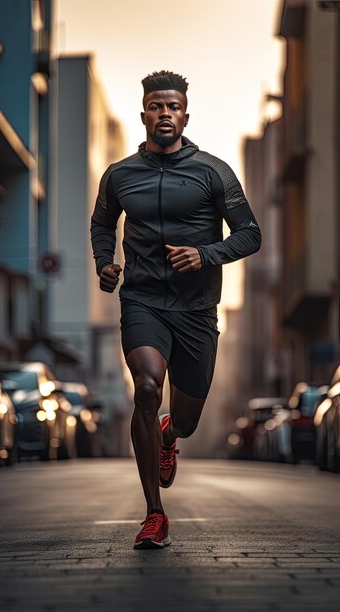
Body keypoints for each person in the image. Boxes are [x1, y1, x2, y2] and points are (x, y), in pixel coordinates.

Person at [91, 70, 261, 550]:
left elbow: (250, 234)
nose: (164, 113)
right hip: (142, 299)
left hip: (196, 308)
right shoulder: (120, 174)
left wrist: (205, 254)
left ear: (185, 114)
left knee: (186, 418)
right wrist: (106, 264)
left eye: (173, 107)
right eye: (155, 106)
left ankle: (170, 436)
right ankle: (154, 514)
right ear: (143, 112)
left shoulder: (213, 170)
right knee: (146, 387)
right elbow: (101, 224)